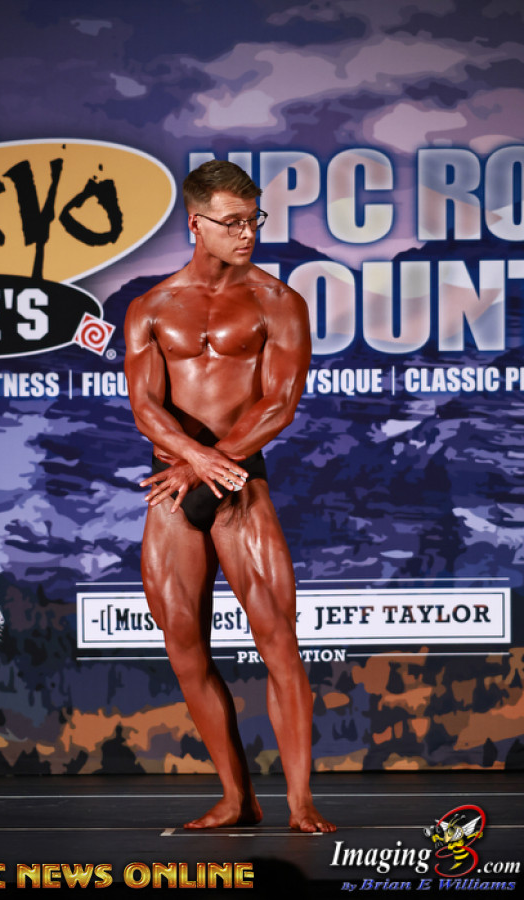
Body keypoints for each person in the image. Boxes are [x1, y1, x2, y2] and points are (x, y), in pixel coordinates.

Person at [124, 160, 335, 833]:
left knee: (278, 640)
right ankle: (236, 798)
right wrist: (193, 462)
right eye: (233, 222)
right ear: (196, 224)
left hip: (240, 486)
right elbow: (145, 407)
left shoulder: (278, 301)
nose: (248, 234)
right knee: (184, 647)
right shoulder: (151, 307)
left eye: (254, 221)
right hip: (174, 489)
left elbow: (280, 404)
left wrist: (207, 467)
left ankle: (300, 803)